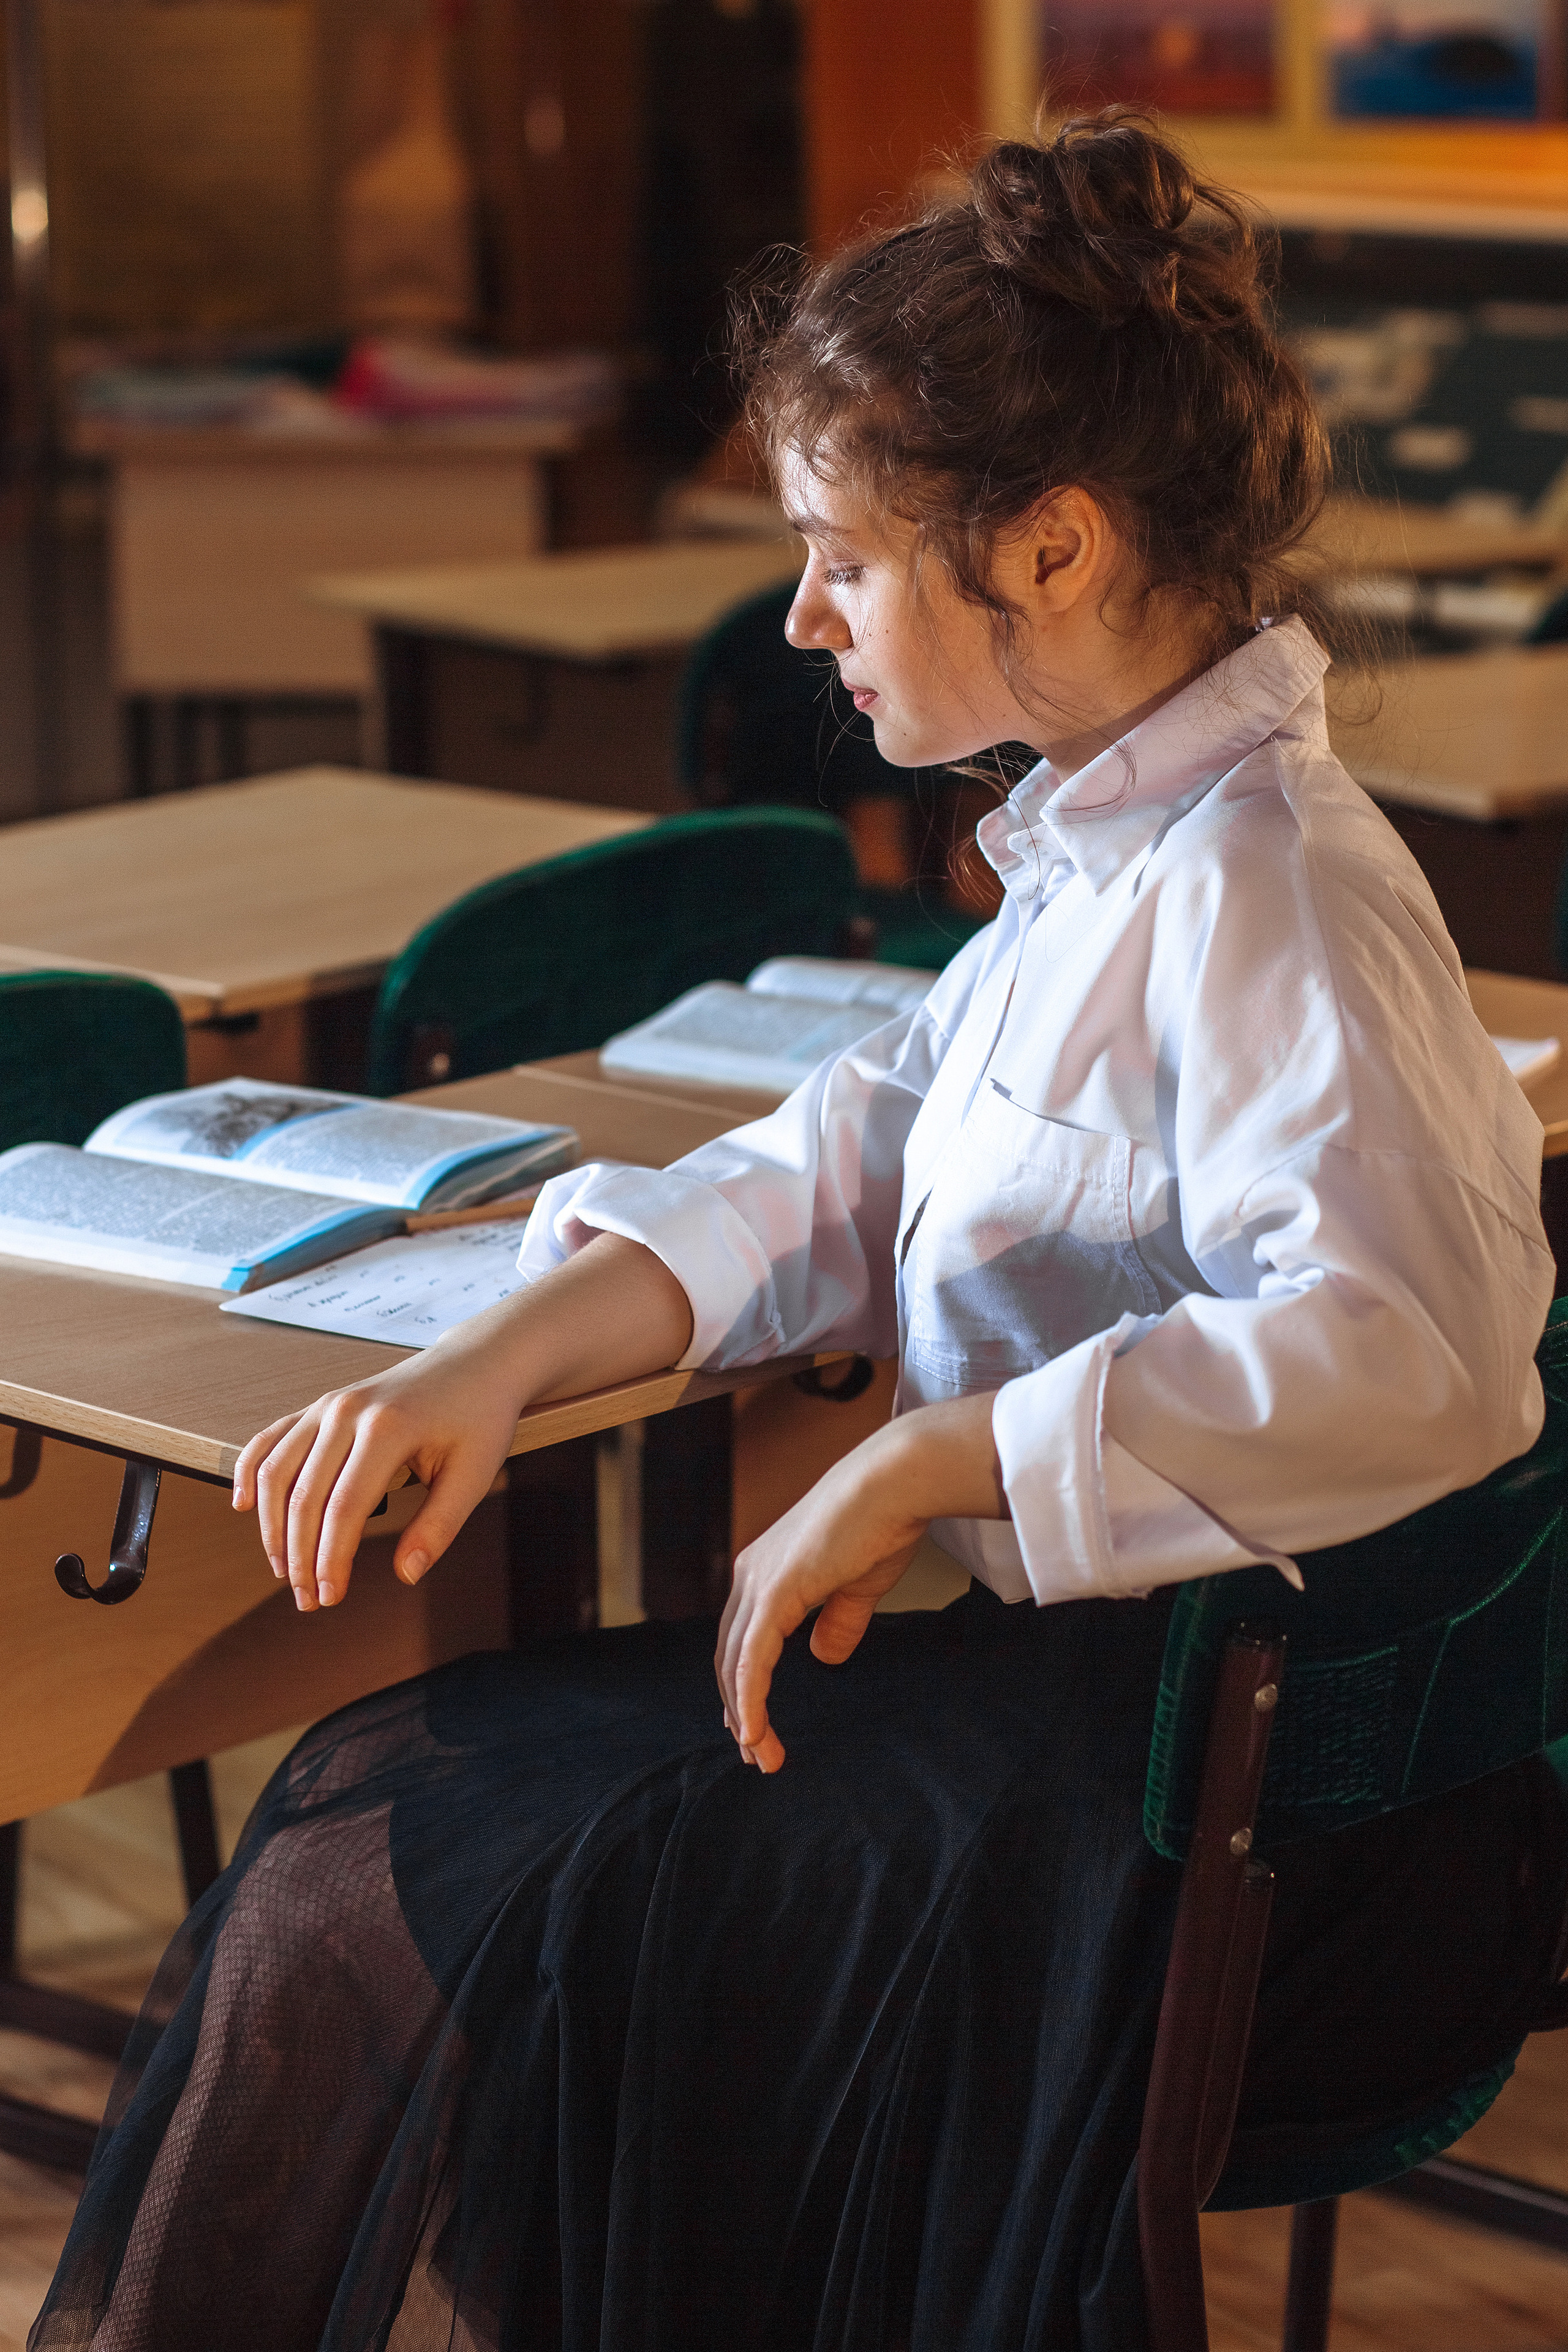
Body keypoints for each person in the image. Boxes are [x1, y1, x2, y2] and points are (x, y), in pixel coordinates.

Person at [33, 113, 1568, 2352]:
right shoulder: (1112, 848)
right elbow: (844, 1157)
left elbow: (1419, 1354)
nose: (803, 615)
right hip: (1083, 1733)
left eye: (842, 551)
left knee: (400, 1853)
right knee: (403, 1830)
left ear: (1047, 546)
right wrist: (503, 1348)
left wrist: (939, 1456)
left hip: (1210, 1808)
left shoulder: (1275, 891)